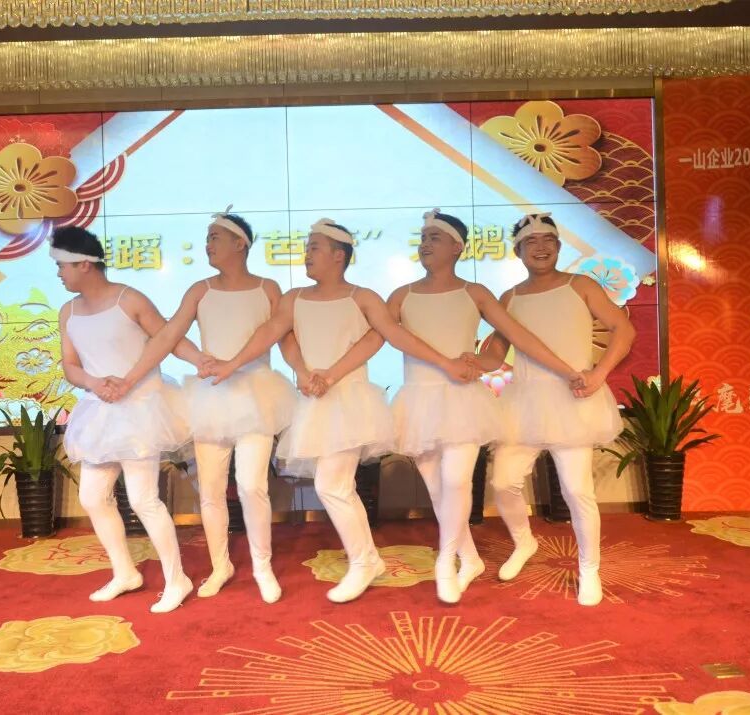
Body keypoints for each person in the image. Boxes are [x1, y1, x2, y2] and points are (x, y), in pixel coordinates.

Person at [207, 218, 477, 603]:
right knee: (338, 486)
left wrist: (445, 363)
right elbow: (276, 334)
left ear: (338, 255)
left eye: (314, 247)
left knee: (330, 486)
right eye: (307, 247)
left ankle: (365, 561)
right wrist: (296, 371)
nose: (307, 254)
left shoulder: (363, 297)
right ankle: (369, 559)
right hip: (316, 401)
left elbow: (388, 335)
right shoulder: (294, 297)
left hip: (351, 401)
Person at [389, 209, 585, 604]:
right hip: (418, 399)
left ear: (457, 247)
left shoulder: (475, 293)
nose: (425, 244)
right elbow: (386, 334)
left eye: (434, 237)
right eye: (423, 238)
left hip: (462, 400)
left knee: (456, 481)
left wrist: (568, 371)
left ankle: (445, 563)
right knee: (437, 489)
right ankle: (470, 559)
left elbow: (518, 337)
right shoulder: (401, 295)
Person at [113, 209, 297, 604]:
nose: (207, 244)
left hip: (257, 395)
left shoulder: (268, 288)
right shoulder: (200, 290)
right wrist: (139, 376)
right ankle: (220, 566)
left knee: (251, 485)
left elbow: (281, 336)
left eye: (215, 237)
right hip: (211, 395)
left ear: (240, 243)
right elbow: (168, 336)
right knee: (211, 490)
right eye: (207, 237)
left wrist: (309, 374)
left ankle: (262, 566)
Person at [476, 212, 635, 606]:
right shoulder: (510, 298)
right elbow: (495, 353)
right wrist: (467, 361)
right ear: (518, 251)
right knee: (504, 482)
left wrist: (599, 373)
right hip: (524, 402)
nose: (541, 247)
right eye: (531, 242)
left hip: (573, 397)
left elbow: (624, 329)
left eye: (548, 240)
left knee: (577, 490)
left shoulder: (580, 285)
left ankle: (589, 569)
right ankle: (524, 542)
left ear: (559, 247)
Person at [53, 225, 203, 614]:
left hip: (140, 408)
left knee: (142, 499)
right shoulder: (68, 311)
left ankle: (176, 579)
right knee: (91, 497)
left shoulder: (130, 299)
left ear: (84, 264)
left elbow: (169, 339)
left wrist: (202, 361)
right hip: (100, 410)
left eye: (62, 265)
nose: (59, 273)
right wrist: (94, 382)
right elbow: (70, 365)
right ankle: (125, 573)